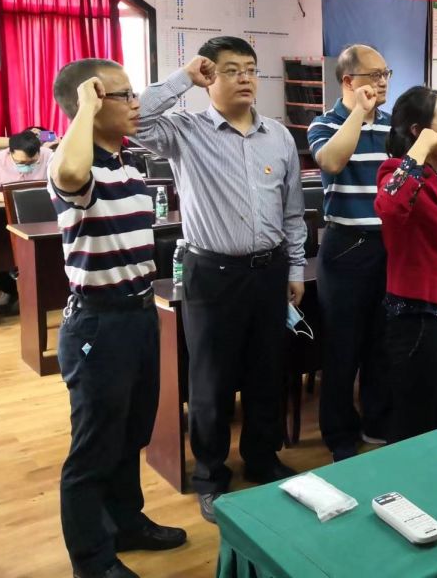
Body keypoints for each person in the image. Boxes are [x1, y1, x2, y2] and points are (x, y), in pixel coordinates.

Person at [137, 36, 306, 523]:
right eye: (231, 70)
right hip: (212, 273)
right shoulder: (185, 131)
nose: (245, 78)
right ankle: (211, 475)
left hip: (269, 270)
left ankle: (261, 458)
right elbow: (136, 120)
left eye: (250, 69)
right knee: (210, 381)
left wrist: (295, 268)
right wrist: (182, 78)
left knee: (266, 372)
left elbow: (293, 212)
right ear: (209, 76)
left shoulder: (278, 136)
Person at [50, 59, 186, 578]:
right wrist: (85, 108)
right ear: (89, 101)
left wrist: (181, 80)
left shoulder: (127, 161)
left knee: (132, 434)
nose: (135, 103)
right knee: (94, 449)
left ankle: (127, 523)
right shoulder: (75, 165)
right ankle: (93, 560)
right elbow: (69, 174)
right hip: (98, 324)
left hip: (139, 315)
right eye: (123, 95)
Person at [308, 44, 392, 461]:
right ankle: (339, 433)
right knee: (342, 347)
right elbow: (332, 162)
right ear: (347, 80)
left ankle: (377, 423)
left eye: (386, 74)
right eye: (374, 75)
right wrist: (359, 112)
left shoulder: (393, 125)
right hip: (346, 247)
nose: (382, 82)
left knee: (382, 343)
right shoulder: (324, 123)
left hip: (388, 246)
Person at [375, 87, 437, 442]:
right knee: (414, 420)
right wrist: (419, 150)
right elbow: (389, 206)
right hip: (417, 315)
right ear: (419, 131)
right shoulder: (395, 171)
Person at [0, 129, 55, 315]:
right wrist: (14, 198)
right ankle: (11, 291)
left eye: (33, 163)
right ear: (10, 153)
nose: (28, 167)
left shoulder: (49, 156)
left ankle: (48, 292)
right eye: (22, 163)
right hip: (3, 222)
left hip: (44, 220)